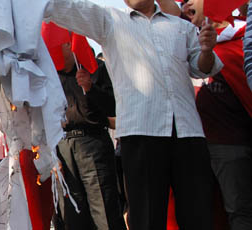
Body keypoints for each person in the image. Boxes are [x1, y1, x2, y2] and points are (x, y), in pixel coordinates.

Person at [44, 0, 223, 229]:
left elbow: (205, 67)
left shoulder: (181, 27)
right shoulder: (109, 21)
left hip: (188, 132)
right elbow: (65, 8)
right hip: (141, 133)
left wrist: (207, 50)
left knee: (198, 214)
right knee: (146, 218)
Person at [51, 43, 125, 230]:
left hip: (92, 143)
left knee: (104, 210)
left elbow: (113, 106)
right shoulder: (49, 75)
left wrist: (91, 88)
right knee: (71, 214)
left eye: (58, 43)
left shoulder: (94, 68)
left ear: (70, 44)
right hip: (61, 147)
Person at [195, 12, 252, 230]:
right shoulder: (187, 42)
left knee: (238, 208)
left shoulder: (239, 43)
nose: (187, 4)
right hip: (195, 145)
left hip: (231, 145)